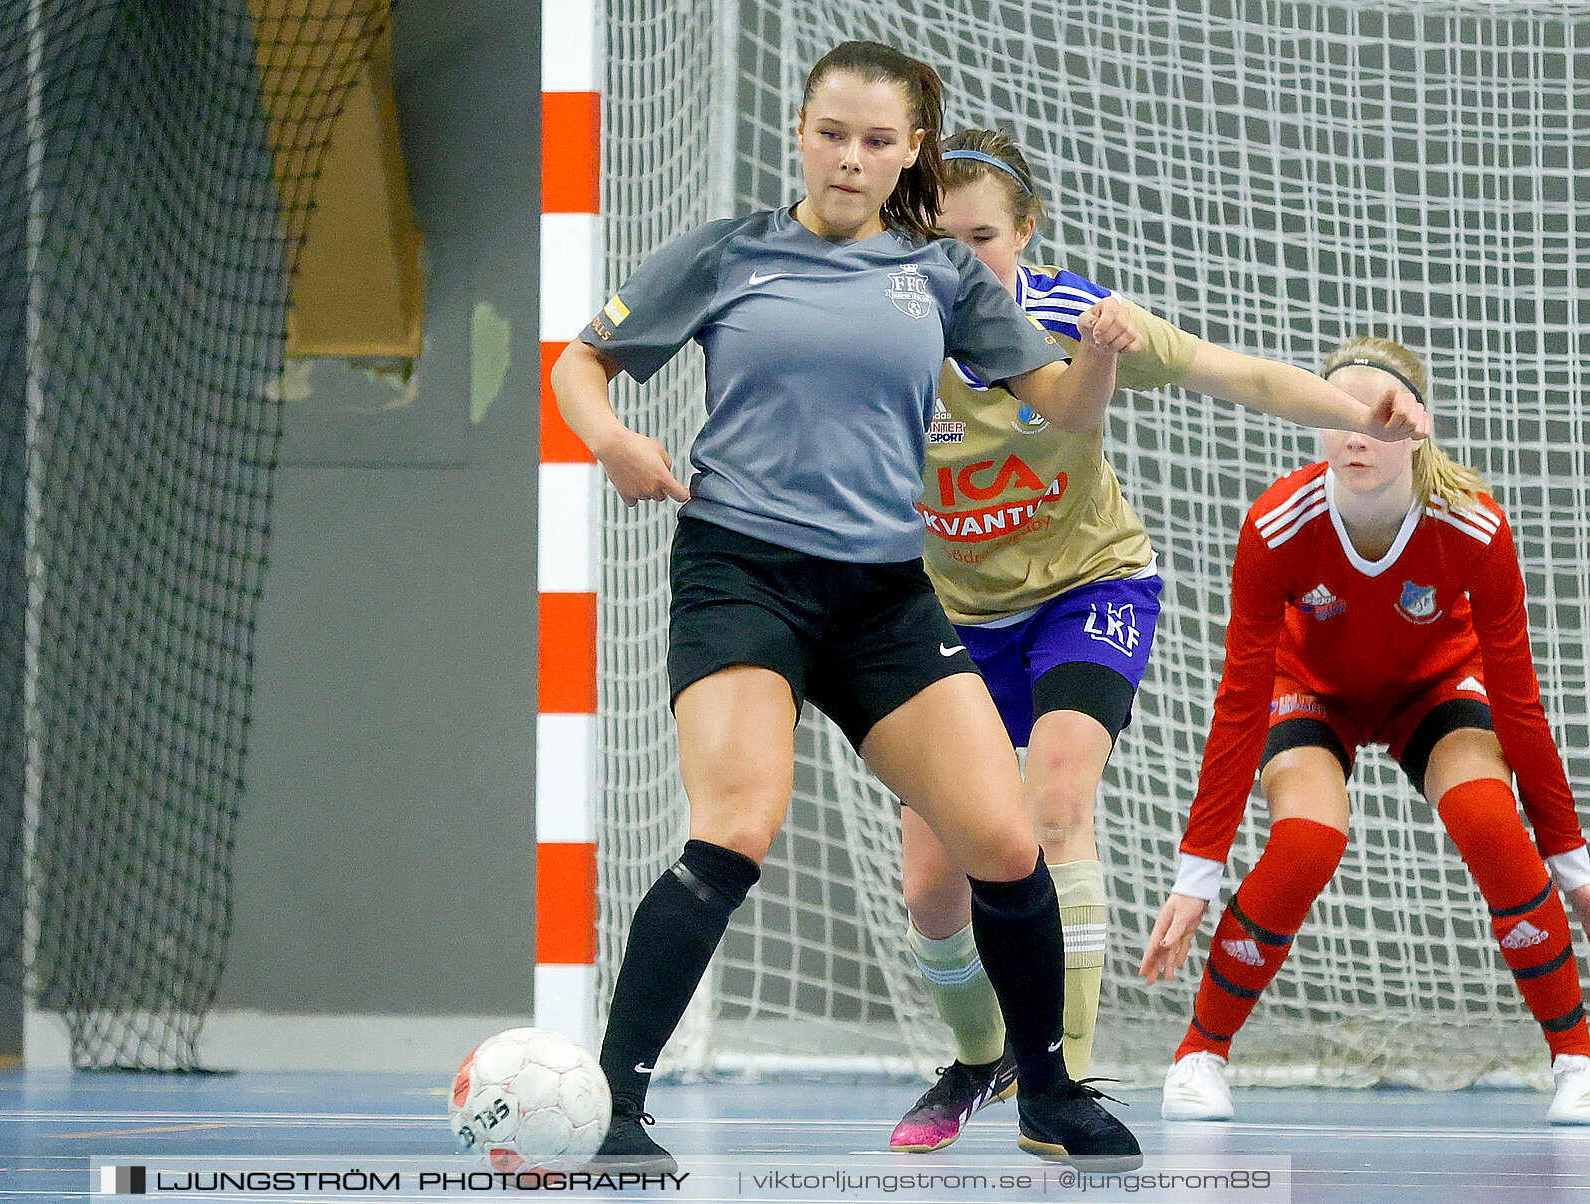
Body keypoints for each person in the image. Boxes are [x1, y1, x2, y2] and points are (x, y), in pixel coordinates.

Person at [551, 41, 1143, 1171]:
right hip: (743, 572)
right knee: (737, 824)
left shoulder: (942, 275)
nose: (851, 157)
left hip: (882, 594)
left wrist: (1104, 356)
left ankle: (1048, 1096)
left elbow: (1065, 414)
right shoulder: (732, 249)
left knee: (1007, 840)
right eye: (833, 133)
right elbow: (580, 366)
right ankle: (616, 1109)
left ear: (910, 150)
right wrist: (614, 440)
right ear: (803, 130)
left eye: (877, 140)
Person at [887, 128, 1430, 1154]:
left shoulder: (1077, 321)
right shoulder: (882, 337)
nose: (958, 257)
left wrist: (1364, 406)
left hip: (1086, 590)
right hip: (948, 614)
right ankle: (978, 1055)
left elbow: (1242, 375)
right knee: (932, 887)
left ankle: (1067, 1077)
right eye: (932, 234)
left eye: (982, 235)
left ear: (1028, 234)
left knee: (1057, 800)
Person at [1137, 336, 1590, 1125]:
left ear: (1417, 427)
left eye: (1376, 415)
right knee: (1306, 841)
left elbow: (1518, 700)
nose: (1356, 432)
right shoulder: (1277, 526)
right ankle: (1200, 1054)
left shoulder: (1474, 527)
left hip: (1435, 690)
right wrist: (1197, 872)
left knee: (1488, 818)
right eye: (1336, 412)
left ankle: (1578, 1059)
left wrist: (1572, 860)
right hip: (1311, 694)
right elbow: (1240, 702)